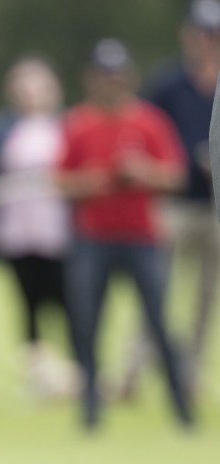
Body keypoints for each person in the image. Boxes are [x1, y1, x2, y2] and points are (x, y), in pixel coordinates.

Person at [56, 39, 193, 428]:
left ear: (128, 77)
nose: (111, 83)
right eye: (103, 75)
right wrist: (94, 181)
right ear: (90, 79)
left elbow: (175, 176)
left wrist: (142, 172)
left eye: (117, 75)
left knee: (161, 323)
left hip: (141, 238)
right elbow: (60, 182)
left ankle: (181, 409)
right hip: (93, 238)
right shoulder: (78, 123)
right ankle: (90, 412)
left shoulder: (148, 121)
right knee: (86, 324)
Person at [121, 0, 220, 399]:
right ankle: (132, 374)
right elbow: (141, 134)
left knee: (204, 301)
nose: (207, 42)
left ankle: (188, 379)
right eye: (202, 34)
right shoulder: (168, 84)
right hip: (174, 205)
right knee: (154, 291)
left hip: (214, 209)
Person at [0, 57, 76, 400]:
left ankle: (77, 372)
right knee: (28, 304)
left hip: (59, 233)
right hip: (17, 233)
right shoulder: (2, 129)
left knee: (68, 303)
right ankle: (36, 376)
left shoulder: (67, 124)